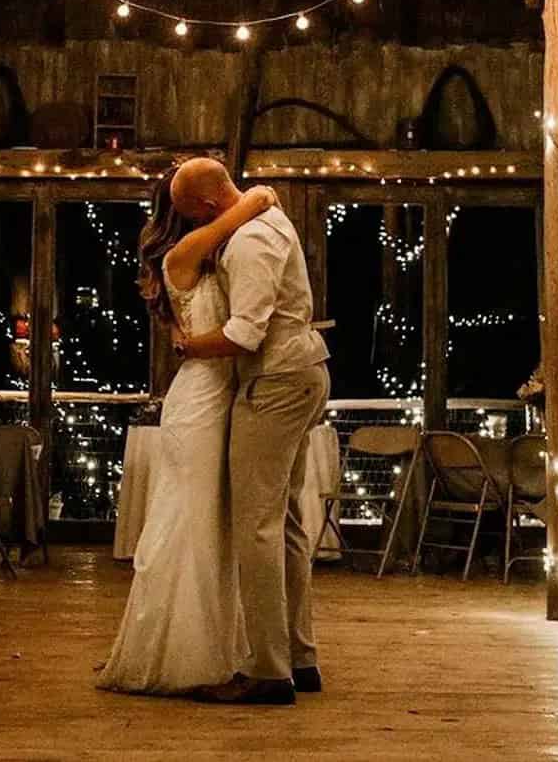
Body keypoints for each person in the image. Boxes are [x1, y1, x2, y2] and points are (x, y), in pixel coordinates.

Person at [96, 171, 278, 695]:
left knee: (212, 524)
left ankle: (214, 646)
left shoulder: (197, 252)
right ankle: (180, 654)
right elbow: (237, 213)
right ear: (191, 214)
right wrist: (260, 197)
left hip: (219, 393)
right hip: (199, 399)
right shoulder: (182, 256)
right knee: (191, 521)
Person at [170, 158, 330, 708]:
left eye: (193, 217)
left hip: (276, 380)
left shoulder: (249, 242)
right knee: (283, 521)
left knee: (256, 525)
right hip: (298, 372)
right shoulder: (266, 221)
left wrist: (187, 347)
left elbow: (245, 332)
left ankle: (268, 670)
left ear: (211, 208)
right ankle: (299, 657)